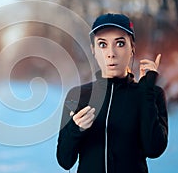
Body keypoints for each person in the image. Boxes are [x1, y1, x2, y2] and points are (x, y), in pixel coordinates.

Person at [56, 13, 168, 173]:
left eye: (120, 43)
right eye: (102, 45)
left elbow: (154, 149)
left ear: (132, 48)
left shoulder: (150, 94)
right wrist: (75, 129)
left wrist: (146, 94)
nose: (111, 53)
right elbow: (64, 161)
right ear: (93, 50)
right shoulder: (79, 95)